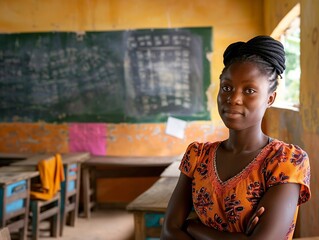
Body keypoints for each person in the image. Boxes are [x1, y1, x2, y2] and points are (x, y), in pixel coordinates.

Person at [160, 36, 311, 240]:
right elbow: (168, 232)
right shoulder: (198, 156)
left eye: (249, 90)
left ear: (270, 98)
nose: (233, 98)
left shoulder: (285, 161)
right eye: (227, 87)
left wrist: (193, 228)